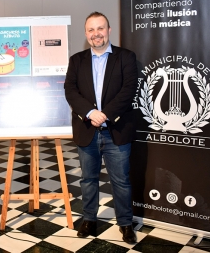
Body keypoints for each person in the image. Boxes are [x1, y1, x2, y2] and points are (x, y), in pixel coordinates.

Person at [64, 12, 138, 244]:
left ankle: (126, 223)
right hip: (87, 131)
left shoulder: (126, 57)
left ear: (109, 30)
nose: (96, 34)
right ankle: (89, 219)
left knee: (121, 181)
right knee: (88, 180)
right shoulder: (77, 60)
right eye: (91, 30)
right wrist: (90, 113)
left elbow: (129, 89)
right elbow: (70, 91)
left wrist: (105, 114)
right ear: (86, 34)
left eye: (101, 28)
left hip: (116, 130)